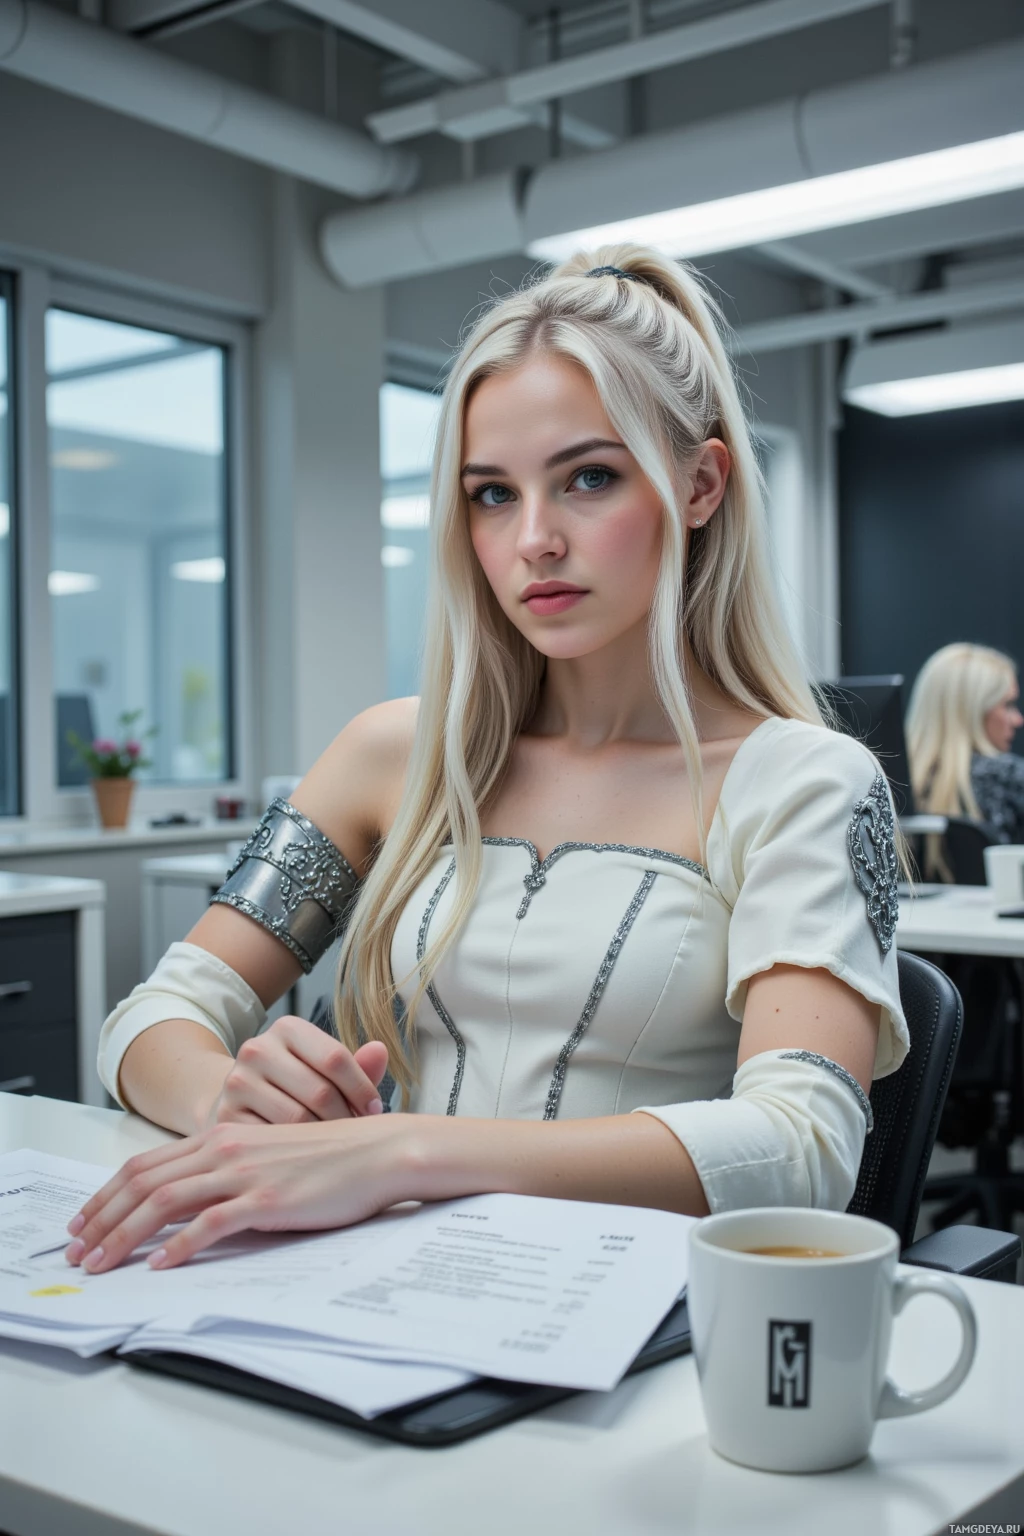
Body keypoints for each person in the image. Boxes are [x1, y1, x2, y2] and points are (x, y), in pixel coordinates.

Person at [67, 246, 907, 1276]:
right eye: (491, 495)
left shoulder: (802, 784)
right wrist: (231, 1107)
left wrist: (400, 1150)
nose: (534, 540)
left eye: (587, 478)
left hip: (630, 1330)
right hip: (370, 1291)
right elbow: (154, 1014)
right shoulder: (394, 756)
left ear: (700, 484)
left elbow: (800, 1148)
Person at [906, 642, 1024, 845]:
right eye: (1008, 705)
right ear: (973, 710)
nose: (1018, 720)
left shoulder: (891, 787)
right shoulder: (1010, 778)